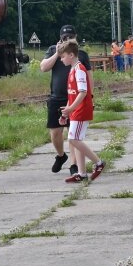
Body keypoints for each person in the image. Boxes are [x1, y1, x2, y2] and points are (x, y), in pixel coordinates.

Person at [40, 24, 92, 175]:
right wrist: (57, 53)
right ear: (60, 39)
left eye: (71, 37)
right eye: (65, 38)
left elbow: (89, 78)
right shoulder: (52, 50)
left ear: (76, 37)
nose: (68, 40)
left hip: (75, 98)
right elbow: (43, 68)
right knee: (56, 132)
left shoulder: (81, 54)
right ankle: (61, 156)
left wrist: (91, 97)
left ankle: (74, 165)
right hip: (57, 97)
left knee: (73, 134)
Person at [58, 39, 105, 183]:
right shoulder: (72, 69)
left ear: (71, 55)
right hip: (74, 110)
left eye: (63, 56)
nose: (61, 59)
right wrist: (66, 112)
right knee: (76, 140)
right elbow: (72, 93)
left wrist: (71, 108)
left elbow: (83, 92)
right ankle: (82, 173)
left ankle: (98, 163)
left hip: (81, 110)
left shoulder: (79, 70)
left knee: (73, 139)